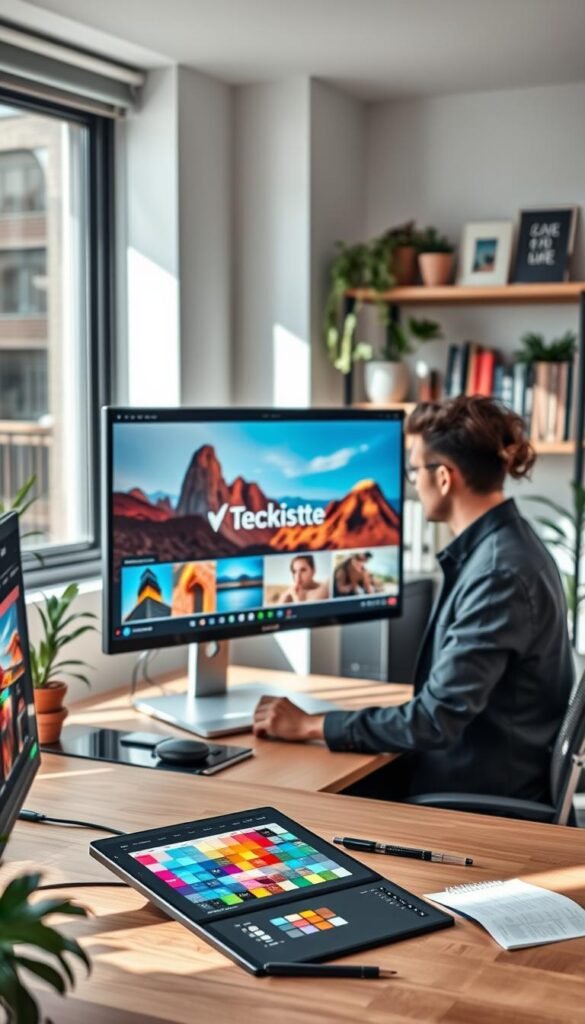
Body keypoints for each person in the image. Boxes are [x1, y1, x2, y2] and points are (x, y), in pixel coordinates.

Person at [253, 395, 574, 804]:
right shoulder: (507, 547)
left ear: (443, 477)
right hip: (478, 769)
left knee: (297, 800)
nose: (411, 484)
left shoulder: (497, 574)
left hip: (475, 795)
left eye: (413, 471)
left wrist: (310, 725)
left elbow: (434, 720)